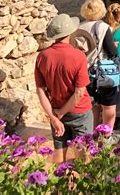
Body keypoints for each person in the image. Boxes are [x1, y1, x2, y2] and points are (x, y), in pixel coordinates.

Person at [34, 14, 93, 164]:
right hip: (79, 112)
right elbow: (79, 93)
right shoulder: (78, 56)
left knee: (59, 155)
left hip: (56, 111)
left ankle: (60, 185)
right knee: (83, 156)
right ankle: (79, 186)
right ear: (70, 32)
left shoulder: (42, 56)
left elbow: (40, 90)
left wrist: (54, 117)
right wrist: (60, 113)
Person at [79, 0, 119, 129]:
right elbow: (112, 52)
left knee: (93, 105)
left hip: (85, 71)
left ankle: (92, 133)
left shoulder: (79, 27)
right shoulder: (103, 27)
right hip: (103, 71)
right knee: (108, 106)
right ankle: (106, 136)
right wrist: (114, 45)